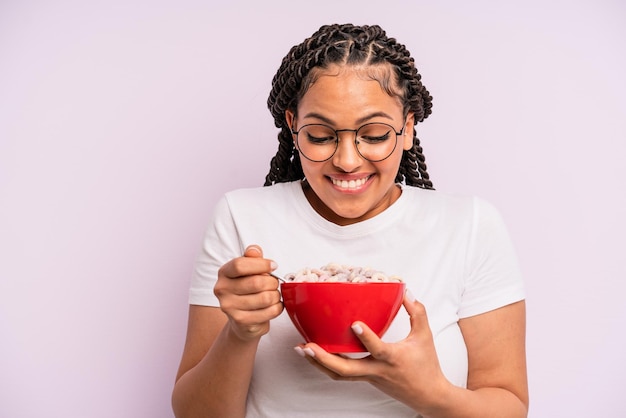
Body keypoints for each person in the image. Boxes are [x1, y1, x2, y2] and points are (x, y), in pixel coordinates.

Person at [171, 23, 528, 418]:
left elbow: (509, 406)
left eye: (374, 135)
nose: (346, 160)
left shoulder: (470, 225)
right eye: (320, 135)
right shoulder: (241, 217)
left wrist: (428, 392)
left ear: (407, 129)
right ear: (293, 126)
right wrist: (240, 333)